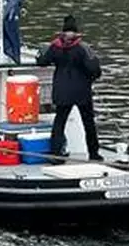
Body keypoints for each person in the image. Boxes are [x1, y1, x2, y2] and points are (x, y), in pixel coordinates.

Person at [37, 15, 103, 160]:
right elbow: (94, 68)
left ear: (63, 31)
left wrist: (41, 54)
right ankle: (93, 153)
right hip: (81, 91)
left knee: (59, 122)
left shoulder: (55, 46)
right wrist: (93, 76)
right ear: (76, 31)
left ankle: (55, 153)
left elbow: (42, 61)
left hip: (62, 91)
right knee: (88, 123)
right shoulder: (82, 48)